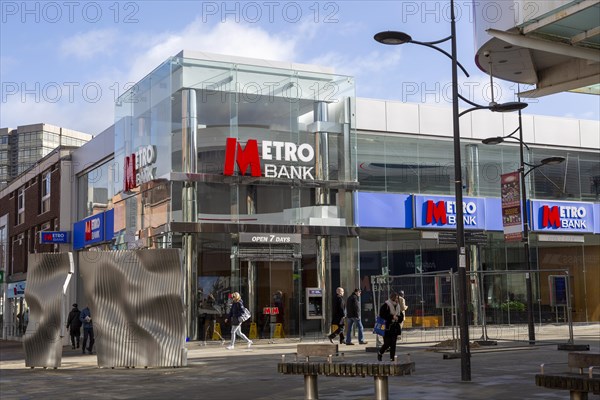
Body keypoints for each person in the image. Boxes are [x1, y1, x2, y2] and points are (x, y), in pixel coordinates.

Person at [377, 292, 407, 362]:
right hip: (387, 327)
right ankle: (380, 352)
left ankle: (392, 358)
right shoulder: (386, 305)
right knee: (387, 343)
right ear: (392, 298)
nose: (397, 300)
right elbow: (382, 315)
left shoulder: (398, 306)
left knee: (393, 343)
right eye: (396, 298)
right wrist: (391, 317)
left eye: (397, 298)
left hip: (395, 327)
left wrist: (398, 318)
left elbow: (401, 317)